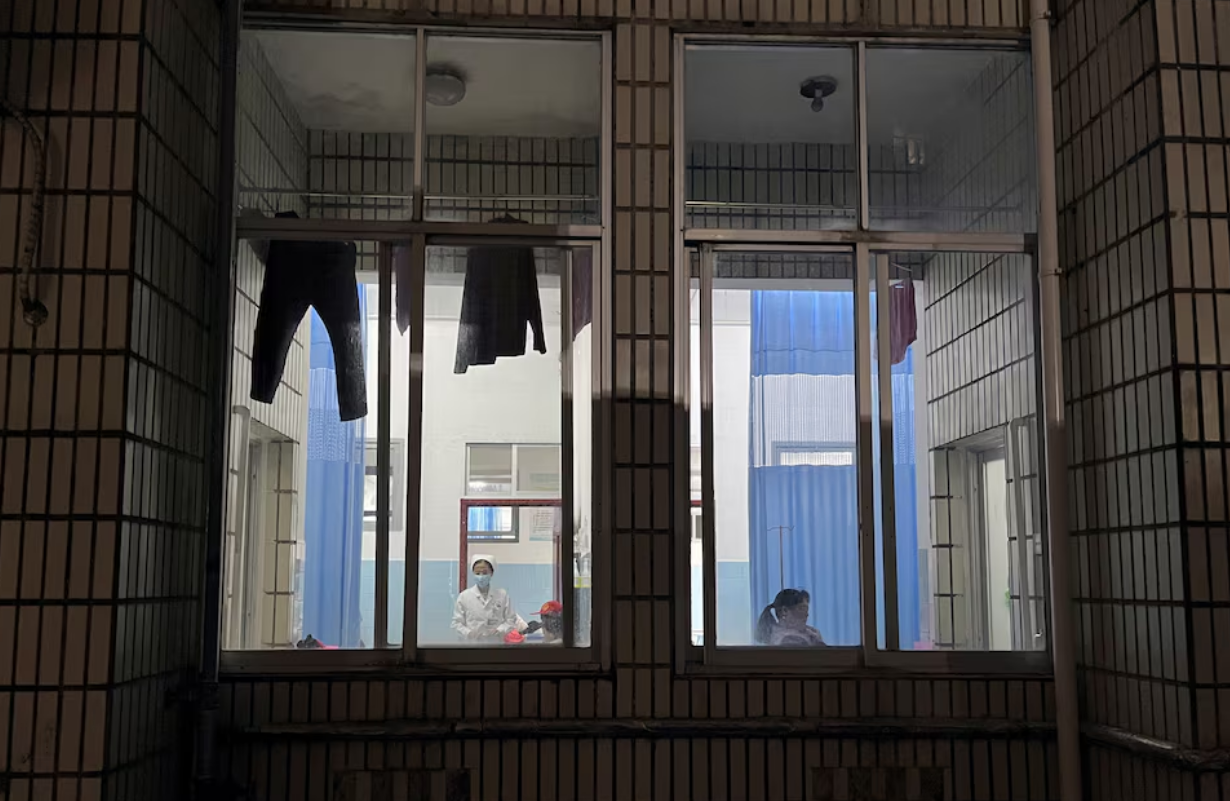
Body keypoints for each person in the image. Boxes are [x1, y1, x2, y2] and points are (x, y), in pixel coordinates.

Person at [451, 554, 520, 643]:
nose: (481, 577)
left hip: (496, 643)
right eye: (477, 573)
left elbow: (511, 619)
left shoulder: (502, 595)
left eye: (484, 573)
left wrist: (500, 630)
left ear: (491, 573)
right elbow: (456, 623)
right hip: (472, 644)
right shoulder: (464, 596)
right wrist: (469, 633)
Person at [754, 589, 825, 647]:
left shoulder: (812, 632)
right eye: (801, 609)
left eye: (807, 609)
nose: (806, 614)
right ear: (784, 611)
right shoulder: (787, 640)